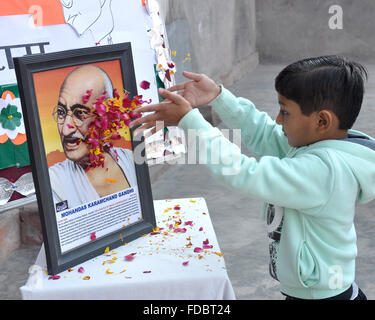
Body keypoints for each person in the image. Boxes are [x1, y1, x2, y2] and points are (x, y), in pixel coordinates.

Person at [130, 56, 375, 300]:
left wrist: (191, 122)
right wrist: (218, 96)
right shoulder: (318, 144)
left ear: (321, 121)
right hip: (316, 291)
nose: (278, 119)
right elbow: (263, 132)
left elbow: (244, 172)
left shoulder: (324, 171)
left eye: (285, 111)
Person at [49, 65, 137, 210]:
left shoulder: (132, 161)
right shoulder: (54, 181)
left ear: (107, 118)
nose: (65, 129)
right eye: (61, 112)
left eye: (80, 113)